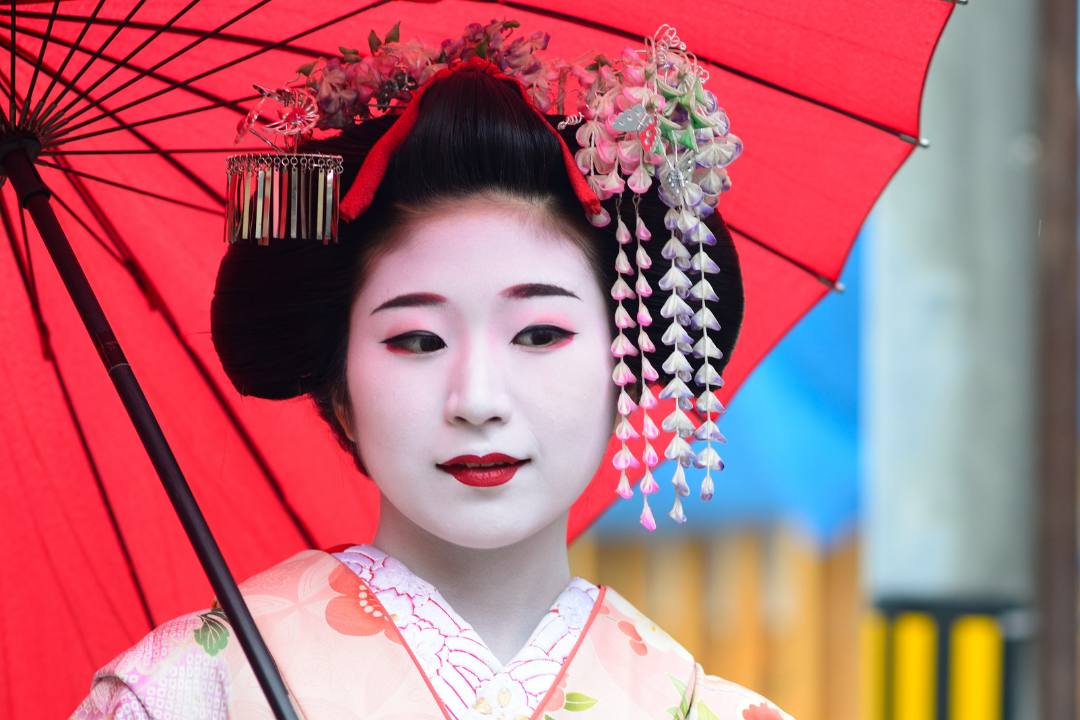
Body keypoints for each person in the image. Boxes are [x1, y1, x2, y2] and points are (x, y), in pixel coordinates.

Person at [73, 23, 784, 720]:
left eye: (540, 333)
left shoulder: (704, 710)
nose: (476, 399)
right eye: (417, 341)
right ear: (338, 388)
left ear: (623, 366)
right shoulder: (191, 694)